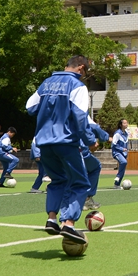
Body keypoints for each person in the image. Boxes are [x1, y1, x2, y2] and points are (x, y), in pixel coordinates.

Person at [25, 55, 96, 245]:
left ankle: (51, 219)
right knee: (81, 183)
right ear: (80, 67)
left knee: (58, 180)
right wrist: (90, 140)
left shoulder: (46, 83)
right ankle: (68, 223)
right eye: (86, 72)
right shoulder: (78, 86)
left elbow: (30, 107)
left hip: (44, 143)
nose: (84, 76)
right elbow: (80, 117)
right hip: (66, 142)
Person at [82, 117, 108, 211]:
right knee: (95, 167)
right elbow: (95, 128)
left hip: (55, 149)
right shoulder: (81, 110)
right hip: (78, 151)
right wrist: (106, 137)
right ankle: (87, 199)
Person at [111, 119, 130, 188]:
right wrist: (122, 149)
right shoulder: (117, 133)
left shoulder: (126, 133)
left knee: (123, 168)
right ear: (120, 125)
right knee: (124, 162)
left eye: (126, 123)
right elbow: (113, 144)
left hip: (124, 153)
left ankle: (116, 184)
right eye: (124, 123)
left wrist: (126, 151)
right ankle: (118, 176)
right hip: (117, 152)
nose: (126, 124)